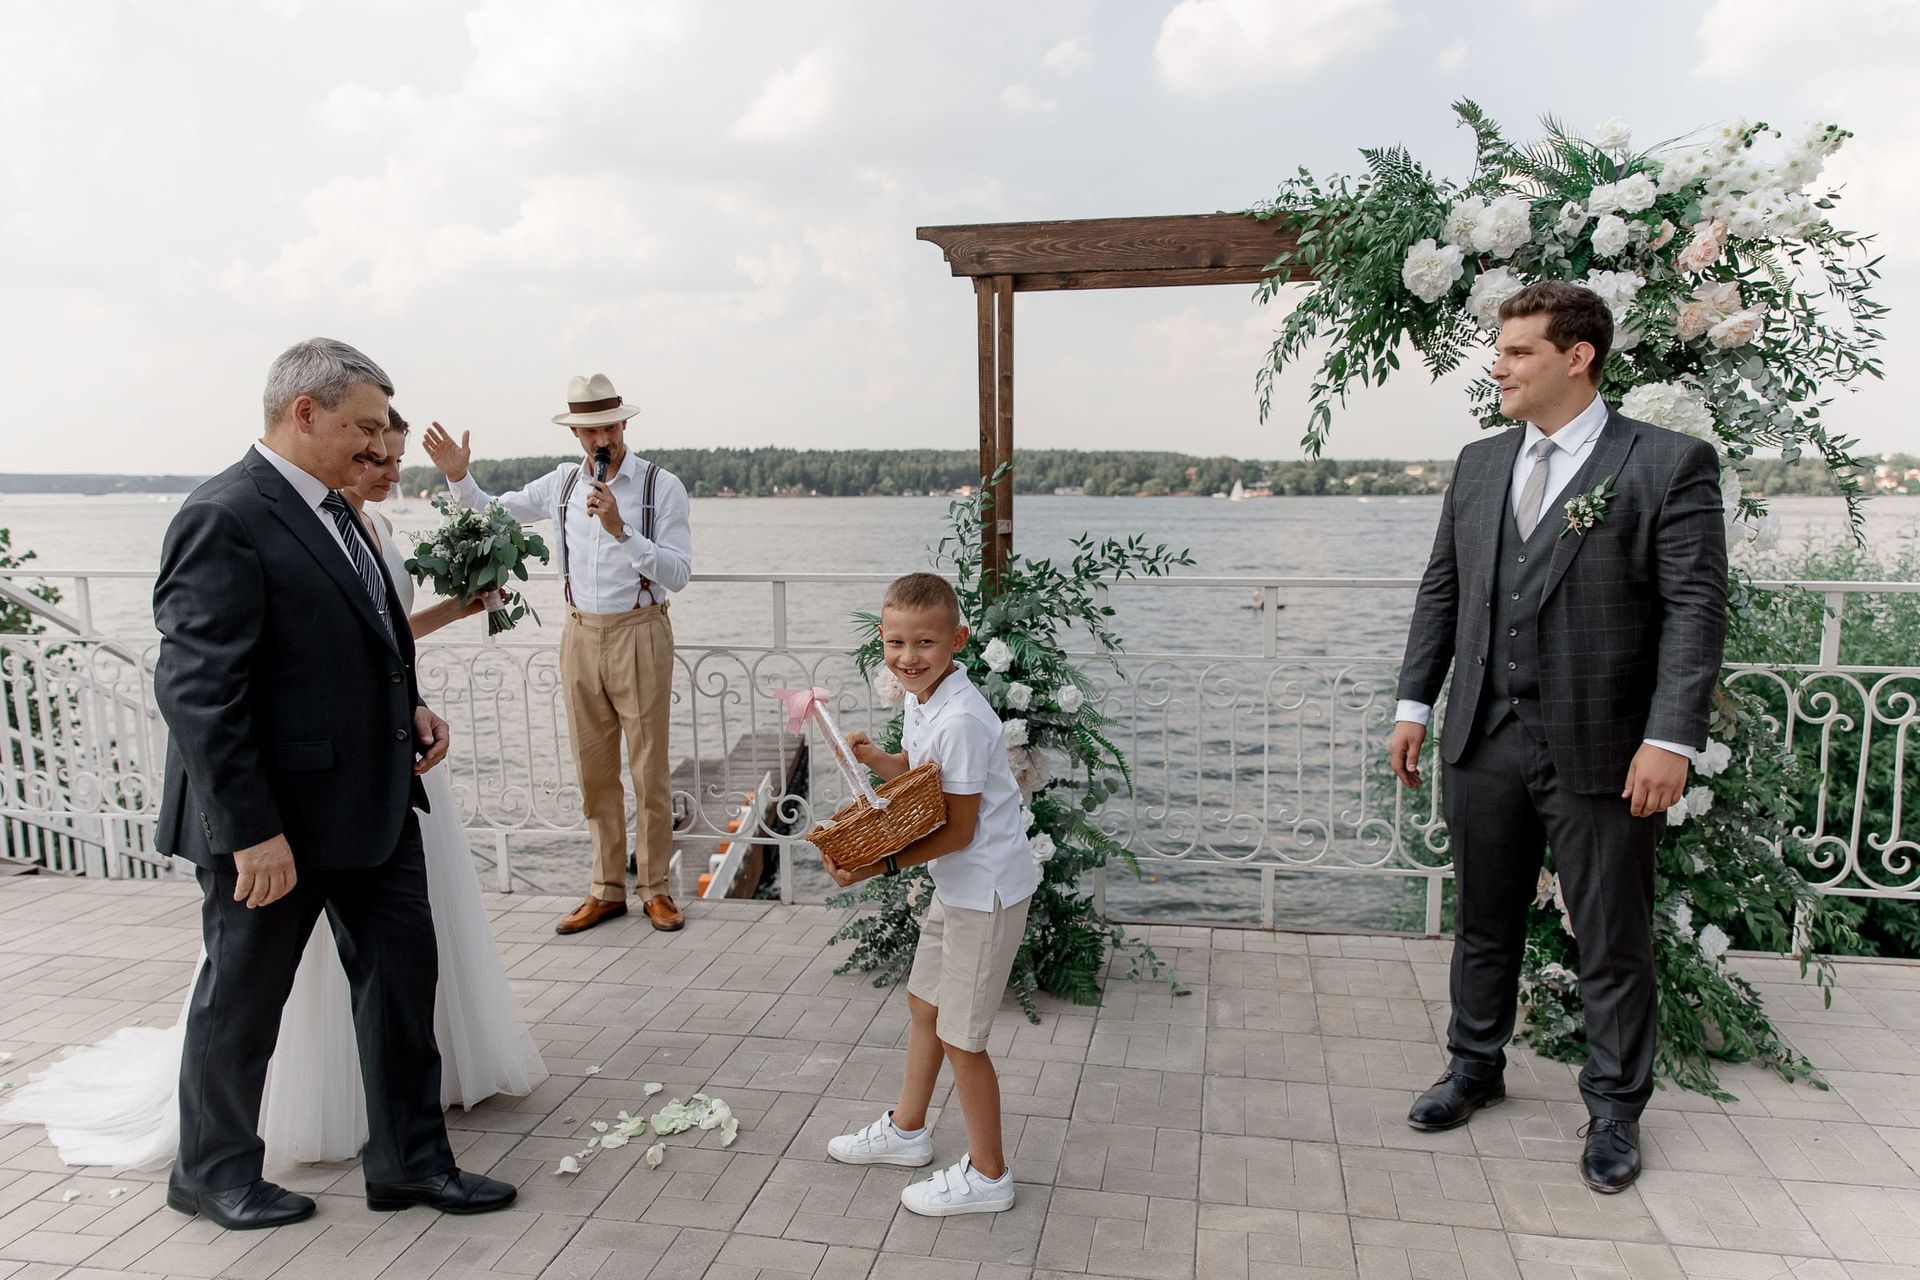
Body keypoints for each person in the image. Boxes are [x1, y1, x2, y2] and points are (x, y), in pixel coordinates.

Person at [149, 338, 515, 1229]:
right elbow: (199, 692)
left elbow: (364, 639)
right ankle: (212, 1173)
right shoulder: (225, 515)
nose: (375, 444)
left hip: (374, 802)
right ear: (302, 412)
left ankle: (411, 1165)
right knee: (242, 1000)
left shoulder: (341, 513)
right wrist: (250, 831)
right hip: (274, 823)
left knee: (401, 986)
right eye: (360, 426)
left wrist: (414, 711)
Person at [1387, 282, 1728, 1193]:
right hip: (1483, 734)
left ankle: (1614, 1110)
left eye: (1518, 351)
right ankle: (1475, 1067)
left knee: (1611, 935)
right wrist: (1414, 704)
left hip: (1606, 746)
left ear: (1577, 358)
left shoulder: (1664, 463)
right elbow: (1443, 590)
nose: (1497, 365)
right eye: (1498, 350)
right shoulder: (1479, 461)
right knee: (1484, 921)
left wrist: (1671, 736)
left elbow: (1696, 611)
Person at [421, 373, 692, 936]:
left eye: (607, 427)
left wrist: (621, 530)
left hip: (640, 630)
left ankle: (657, 887)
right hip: (579, 634)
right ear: (577, 435)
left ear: (624, 425)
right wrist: (457, 476)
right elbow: (492, 512)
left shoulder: (660, 487)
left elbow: (679, 573)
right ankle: (606, 888)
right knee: (594, 771)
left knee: (648, 771)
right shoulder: (563, 485)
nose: (600, 439)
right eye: (588, 430)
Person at [822, 573, 1040, 1217]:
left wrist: (876, 865)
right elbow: (926, 781)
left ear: (958, 641)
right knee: (925, 1005)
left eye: (924, 642)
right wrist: (879, 762)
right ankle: (907, 1131)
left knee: (963, 1038)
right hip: (959, 887)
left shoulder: (966, 720)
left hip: (988, 891)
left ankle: (989, 1175)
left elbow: (959, 826)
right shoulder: (926, 698)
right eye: (895, 643)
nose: (907, 657)